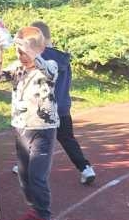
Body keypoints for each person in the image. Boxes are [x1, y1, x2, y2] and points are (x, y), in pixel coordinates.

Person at [0, 27, 60, 220]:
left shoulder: (50, 66)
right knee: (23, 175)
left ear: (39, 49)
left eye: (24, 52)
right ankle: (34, 209)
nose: (21, 56)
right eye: (18, 52)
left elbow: (48, 71)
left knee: (37, 176)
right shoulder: (17, 68)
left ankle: (45, 219)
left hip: (43, 130)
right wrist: (0, 50)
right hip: (21, 128)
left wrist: (29, 51)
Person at [23, 21, 97, 185]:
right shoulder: (63, 58)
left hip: (43, 106)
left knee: (32, 135)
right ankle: (85, 168)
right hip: (62, 105)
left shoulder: (38, 58)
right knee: (67, 139)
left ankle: (25, 164)